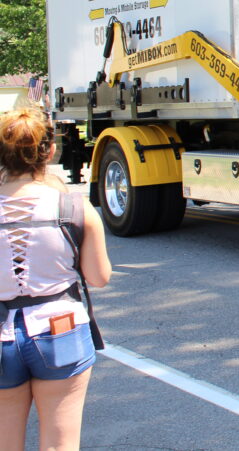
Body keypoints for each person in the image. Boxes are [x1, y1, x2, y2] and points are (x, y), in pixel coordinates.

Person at [0, 107, 111, 451]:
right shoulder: (73, 207)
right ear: (50, 151)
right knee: (59, 445)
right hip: (59, 327)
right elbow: (98, 277)